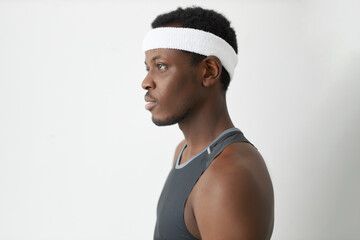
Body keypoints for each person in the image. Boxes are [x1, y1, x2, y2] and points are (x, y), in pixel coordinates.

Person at [142, 6, 274, 240]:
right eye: (147, 68)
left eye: (161, 66)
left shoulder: (227, 174)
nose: (146, 82)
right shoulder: (183, 152)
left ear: (208, 71)